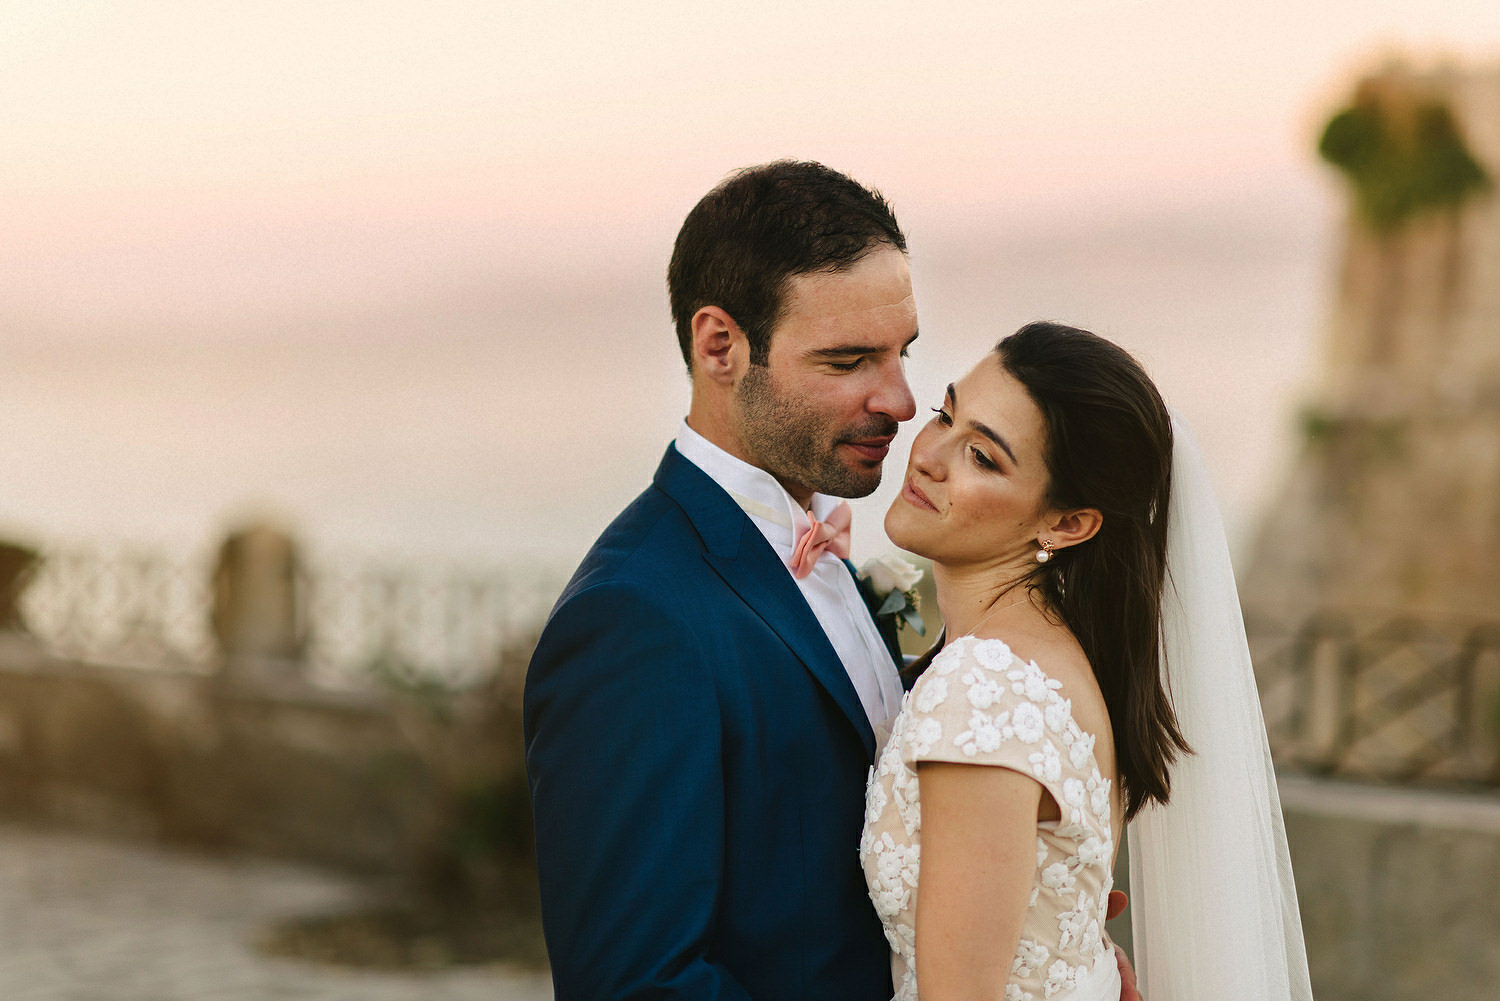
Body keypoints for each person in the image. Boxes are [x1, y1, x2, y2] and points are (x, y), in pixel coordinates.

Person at [524, 160, 919, 1001]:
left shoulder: (835, 556)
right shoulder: (634, 618)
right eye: (849, 360)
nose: (901, 400)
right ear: (720, 347)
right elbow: (636, 985)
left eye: (901, 353)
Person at [863, 321, 1313, 1000]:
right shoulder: (1063, 655)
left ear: (1067, 523)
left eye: (982, 456)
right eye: (944, 414)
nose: (928, 456)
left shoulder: (985, 688)